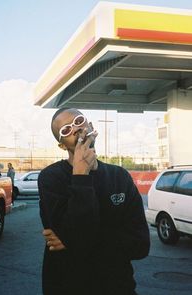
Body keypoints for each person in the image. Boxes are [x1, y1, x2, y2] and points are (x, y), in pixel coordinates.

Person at [38, 108, 150, 295]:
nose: (75, 129)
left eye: (79, 121)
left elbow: (140, 245)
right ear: (62, 145)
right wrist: (81, 175)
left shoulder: (120, 176)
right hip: (67, 287)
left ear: (90, 126)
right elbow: (78, 236)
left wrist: (72, 241)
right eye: (65, 130)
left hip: (118, 287)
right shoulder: (51, 178)